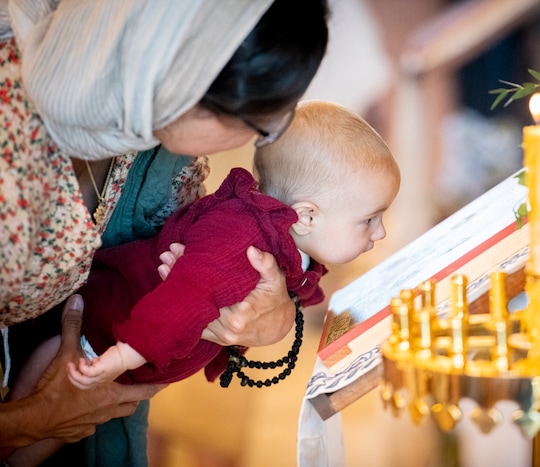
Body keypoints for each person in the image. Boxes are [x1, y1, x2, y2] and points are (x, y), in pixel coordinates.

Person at [0, 0, 329, 464]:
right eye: (258, 125)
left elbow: (205, 280)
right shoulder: (10, 133)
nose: (255, 144)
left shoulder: (150, 132)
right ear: (182, 80)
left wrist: (273, 316)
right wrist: (26, 424)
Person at [8, 100, 401, 464]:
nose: (380, 232)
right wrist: (127, 353)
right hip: (105, 335)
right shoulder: (239, 241)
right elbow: (184, 296)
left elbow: (297, 289)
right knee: (38, 421)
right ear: (307, 216)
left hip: (129, 355)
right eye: (370, 218)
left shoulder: (285, 240)